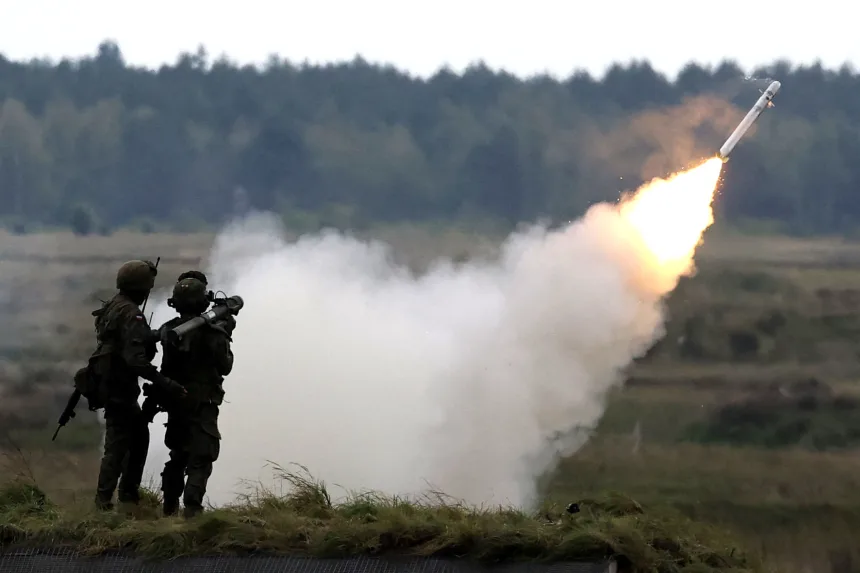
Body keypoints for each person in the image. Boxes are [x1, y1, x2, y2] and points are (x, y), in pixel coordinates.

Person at [91, 260, 187, 513]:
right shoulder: (132, 312)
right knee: (118, 445)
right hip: (120, 388)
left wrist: (156, 334)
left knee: (136, 438)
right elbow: (136, 361)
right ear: (140, 287)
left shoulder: (114, 306)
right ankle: (107, 502)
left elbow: (127, 338)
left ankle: (127, 497)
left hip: (111, 384)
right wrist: (166, 383)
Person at [158, 276, 235, 518]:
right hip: (203, 403)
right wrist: (225, 332)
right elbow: (225, 366)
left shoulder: (170, 330)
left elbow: (167, 367)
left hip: (177, 400)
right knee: (201, 456)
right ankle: (192, 511)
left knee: (177, 455)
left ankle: (169, 509)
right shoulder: (212, 332)